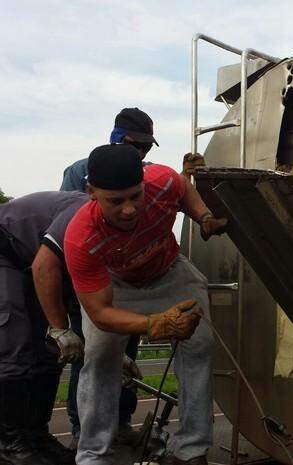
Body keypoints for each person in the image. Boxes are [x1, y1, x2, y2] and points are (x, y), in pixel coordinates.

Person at [62, 144, 227, 465]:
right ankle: (94, 454)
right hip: (115, 285)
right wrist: (154, 324)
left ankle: (191, 450)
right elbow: (100, 313)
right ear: (91, 192)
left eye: (135, 196)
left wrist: (203, 215)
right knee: (99, 357)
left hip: (168, 271)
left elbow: (183, 190)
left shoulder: (162, 180)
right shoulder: (80, 238)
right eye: (115, 201)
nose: (129, 210)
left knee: (200, 345)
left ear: (144, 185)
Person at [60, 107, 159, 447]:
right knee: (94, 355)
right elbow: (69, 231)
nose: (142, 154)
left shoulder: (145, 177)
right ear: (118, 138)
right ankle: (81, 428)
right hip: (88, 279)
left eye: (147, 148)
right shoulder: (79, 173)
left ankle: (121, 422)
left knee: (126, 351)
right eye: (137, 145)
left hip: (125, 281)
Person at [0, 191, 89, 465]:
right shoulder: (81, 213)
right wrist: (60, 328)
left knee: (50, 352)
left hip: (32, 264)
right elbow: (44, 265)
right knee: (13, 343)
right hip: (6, 250)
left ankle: (36, 435)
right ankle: (8, 442)